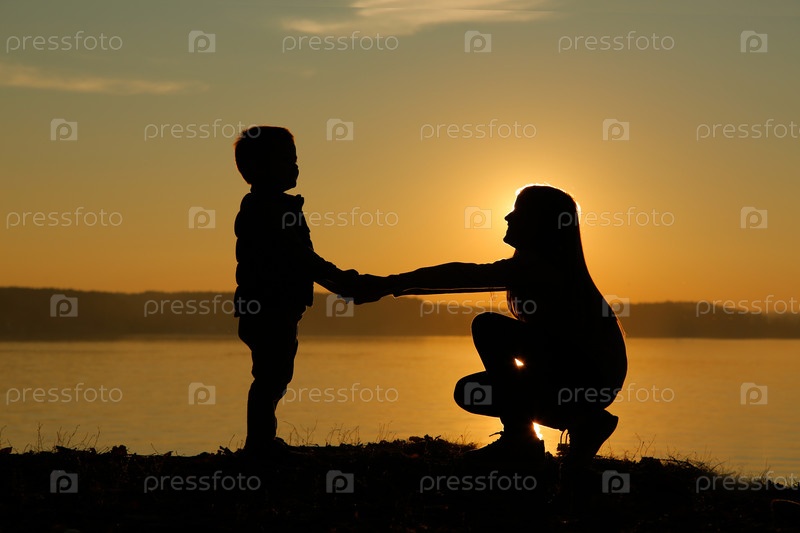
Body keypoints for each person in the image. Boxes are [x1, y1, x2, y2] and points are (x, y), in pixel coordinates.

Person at [351, 185, 627, 465]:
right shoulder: (540, 267)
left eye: (518, 211)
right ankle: (584, 422)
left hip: (587, 377)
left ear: (540, 223)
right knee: (471, 391)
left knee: (489, 328)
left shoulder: (541, 269)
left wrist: (386, 284)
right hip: (580, 377)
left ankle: (522, 440)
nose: (508, 217)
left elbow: (461, 275)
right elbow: (462, 277)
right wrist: (387, 286)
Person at [233, 126, 358, 455]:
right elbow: (300, 257)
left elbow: (301, 258)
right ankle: (259, 445)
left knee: (275, 374)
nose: (296, 166)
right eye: (287, 160)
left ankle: (262, 441)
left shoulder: (273, 206)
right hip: (268, 307)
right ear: (261, 167)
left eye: (295, 159)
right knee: (271, 376)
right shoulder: (268, 209)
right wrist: (339, 280)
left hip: (275, 307)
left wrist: (338, 282)